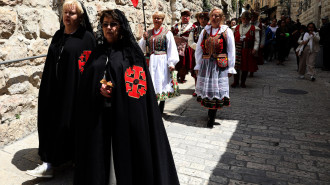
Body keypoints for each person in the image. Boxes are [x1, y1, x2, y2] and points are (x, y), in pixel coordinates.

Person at [74, 9, 180, 185]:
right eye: (105, 24)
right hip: (100, 117)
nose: (109, 28)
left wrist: (118, 90)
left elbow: (137, 91)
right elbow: (87, 81)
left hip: (124, 116)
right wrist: (97, 88)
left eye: (113, 24)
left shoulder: (132, 55)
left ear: (121, 27)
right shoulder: (97, 53)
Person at [25, 0, 95, 178]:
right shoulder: (58, 35)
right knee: (50, 122)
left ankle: (73, 160)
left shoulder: (86, 38)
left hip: (74, 91)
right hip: (54, 90)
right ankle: (48, 163)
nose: (67, 16)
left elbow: (89, 66)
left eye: (71, 13)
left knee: (71, 125)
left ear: (80, 17)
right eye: (65, 12)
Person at [194, 8, 236, 128]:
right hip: (206, 64)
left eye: (217, 16)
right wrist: (198, 64)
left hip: (220, 65)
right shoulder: (205, 31)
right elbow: (199, 49)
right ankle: (210, 113)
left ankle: (211, 117)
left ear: (222, 18)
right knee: (209, 90)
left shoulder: (227, 31)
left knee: (216, 90)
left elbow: (231, 50)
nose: (214, 18)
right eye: (213, 15)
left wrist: (230, 67)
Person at [138, 12, 180, 114]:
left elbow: (171, 48)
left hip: (162, 60)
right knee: (152, 82)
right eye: (155, 18)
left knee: (162, 81)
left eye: (159, 18)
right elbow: (141, 48)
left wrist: (171, 63)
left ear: (162, 20)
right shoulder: (148, 33)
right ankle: (152, 107)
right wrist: (144, 38)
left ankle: (161, 107)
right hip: (151, 60)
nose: (156, 20)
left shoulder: (167, 33)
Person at [232, 11, 260, 88]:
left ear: (249, 20)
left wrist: (255, 49)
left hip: (247, 49)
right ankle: (235, 81)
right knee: (236, 66)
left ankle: (243, 82)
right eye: (243, 19)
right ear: (241, 19)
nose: (245, 20)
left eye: (247, 19)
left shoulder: (254, 29)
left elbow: (257, 40)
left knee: (245, 66)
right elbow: (231, 39)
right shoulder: (235, 28)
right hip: (237, 49)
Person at [188, 9, 209, 97]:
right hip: (197, 55)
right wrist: (199, 47)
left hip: (208, 55)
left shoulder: (211, 30)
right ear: (198, 19)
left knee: (207, 72)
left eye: (205, 19)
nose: (203, 20)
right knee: (197, 72)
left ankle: (207, 89)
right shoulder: (194, 30)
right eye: (201, 18)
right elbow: (190, 42)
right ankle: (197, 89)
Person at [171, 8, 196, 83]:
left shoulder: (193, 27)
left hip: (187, 47)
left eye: (187, 16)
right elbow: (172, 34)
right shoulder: (176, 26)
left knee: (185, 62)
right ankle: (177, 75)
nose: (185, 18)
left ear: (189, 17)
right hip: (177, 47)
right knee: (178, 61)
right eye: (183, 16)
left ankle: (182, 76)